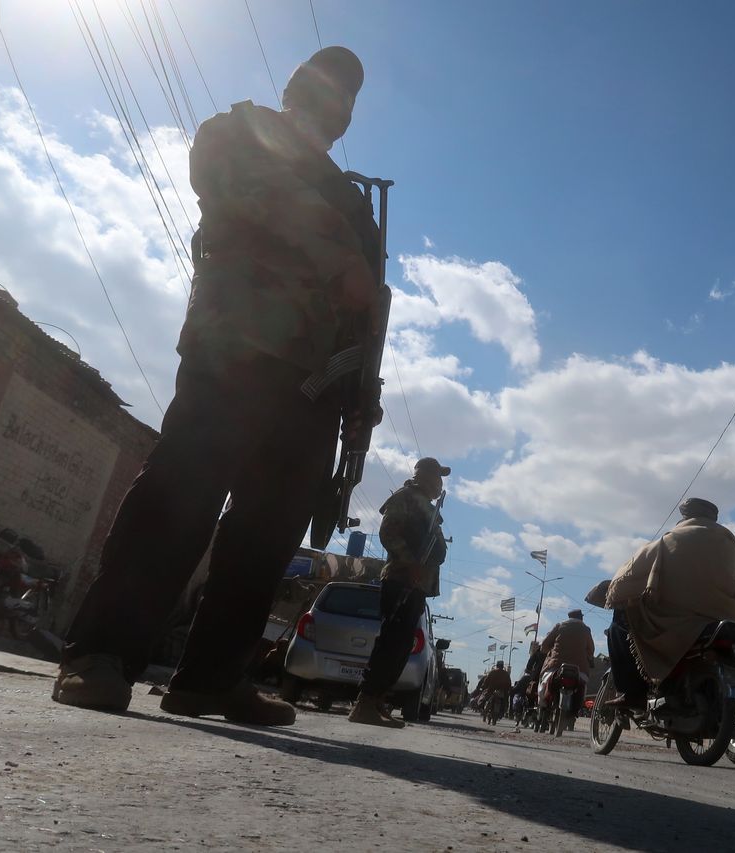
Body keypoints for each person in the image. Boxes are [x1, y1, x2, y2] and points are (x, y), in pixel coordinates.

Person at [52, 47, 376, 726]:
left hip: (314, 386)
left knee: (267, 533)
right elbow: (240, 190)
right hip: (234, 350)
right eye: (325, 86)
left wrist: (360, 400)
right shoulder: (236, 132)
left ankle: (211, 677)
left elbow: (367, 308)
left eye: (347, 95)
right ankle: (100, 655)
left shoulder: (353, 200)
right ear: (292, 87)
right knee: (180, 497)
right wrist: (336, 252)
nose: (333, 102)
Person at [600, 497, 735, 708]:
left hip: (682, 620)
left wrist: (614, 589)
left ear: (686, 515)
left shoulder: (673, 538)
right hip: (728, 616)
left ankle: (633, 693)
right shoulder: (731, 544)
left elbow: (632, 570)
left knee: (619, 623)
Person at [348, 457, 449, 727]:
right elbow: (388, 533)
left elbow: (436, 550)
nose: (440, 484)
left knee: (402, 646)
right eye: (437, 477)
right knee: (391, 642)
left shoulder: (428, 508)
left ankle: (377, 699)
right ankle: (365, 702)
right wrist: (409, 562)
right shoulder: (405, 498)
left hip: (417, 584)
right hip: (401, 580)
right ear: (426, 477)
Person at [537, 610, 595, 713]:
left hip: (556, 665)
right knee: (583, 686)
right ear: (581, 618)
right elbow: (591, 650)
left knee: (543, 683)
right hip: (580, 668)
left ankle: (543, 707)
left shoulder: (559, 626)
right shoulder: (586, 629)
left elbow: (544, 646)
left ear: (569, 617)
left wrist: (550, 650)